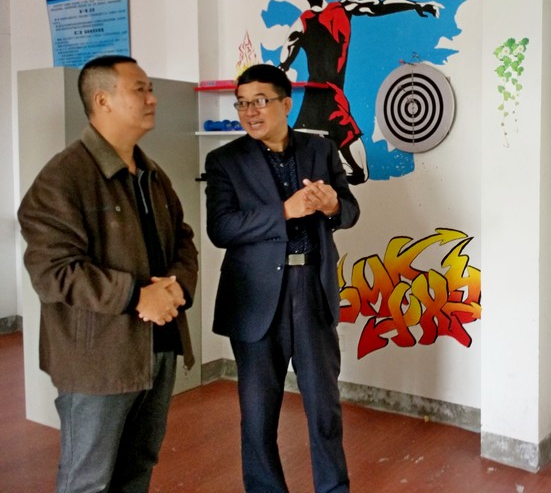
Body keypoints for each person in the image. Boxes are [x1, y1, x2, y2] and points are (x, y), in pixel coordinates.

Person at [17, 55, 197, 493]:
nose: (153, 99)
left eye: (151, 89)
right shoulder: (63, 178)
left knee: (138, 467)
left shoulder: (151, 173)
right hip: (99, 360)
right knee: (89, 480)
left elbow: (183, 239)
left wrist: (176, 288)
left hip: (158, 347)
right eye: (140, 90)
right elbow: (52, 271)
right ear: (102, 100)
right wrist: (136, 295)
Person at [205, 64, 359, 493]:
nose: (250, 112)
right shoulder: (224, 160)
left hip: (312, 288)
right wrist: (284, 212)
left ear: (286, 104)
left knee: (324, 409)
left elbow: (350, 210)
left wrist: (332, 206)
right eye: (242, 103)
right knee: (258, 417)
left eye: (260, 101)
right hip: (256, 297)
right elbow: (221, 228)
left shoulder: (321, 150)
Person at [279, 0, 441, 185]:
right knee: (357, 173)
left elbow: (285, 56)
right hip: (327, 101)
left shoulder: (306, 22)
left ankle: (323, 178)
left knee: (350, 173)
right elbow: (378, 5)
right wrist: (416, 5)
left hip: (317, 102)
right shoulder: (333, 11)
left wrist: (415, 5)